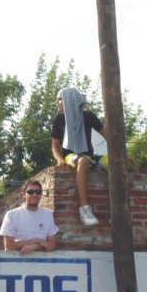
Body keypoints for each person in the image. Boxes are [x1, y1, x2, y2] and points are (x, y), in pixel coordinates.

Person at [51, 87, 106, 226]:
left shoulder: (88, 116)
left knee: (116, 163)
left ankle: (117, 210)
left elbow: (109, 136)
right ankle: (85, 210)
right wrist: (60, 160)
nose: (56, 102)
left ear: (69, 100)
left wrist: (123, 156)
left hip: (90, 155)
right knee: (82, 161)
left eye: (59, 99)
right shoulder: (59, 119)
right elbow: (55, 146)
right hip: (70, 156)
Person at [0, 179, 59, 254]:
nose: (35, 194)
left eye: (38, 192)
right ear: (24, 194)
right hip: (17, 259)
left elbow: (52, 245)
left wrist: (36, 246)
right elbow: (9, 246)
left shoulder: (48, 214)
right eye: (30, 192)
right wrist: (36, 240)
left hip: (42, 260)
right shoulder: (12, 215)